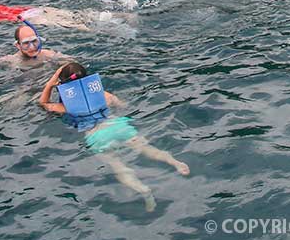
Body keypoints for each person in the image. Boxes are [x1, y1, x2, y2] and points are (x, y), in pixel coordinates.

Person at [39, 62, 190, 212]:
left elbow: (43, 103)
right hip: (117, 125)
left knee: (118, 166)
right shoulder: (104, 96)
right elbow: (123, 105)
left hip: (96, 136)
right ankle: (174, 162)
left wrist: (51, 83)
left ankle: (143, 189)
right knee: (147, 148)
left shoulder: (65, 107)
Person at [0, 21, 68, 90]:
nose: (32, 47)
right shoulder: (12, 60)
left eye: (34, 42)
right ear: (18, 45)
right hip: (23, 88)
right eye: (26, 43)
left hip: (48, 86)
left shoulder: (48, 55)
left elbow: (71, 63)